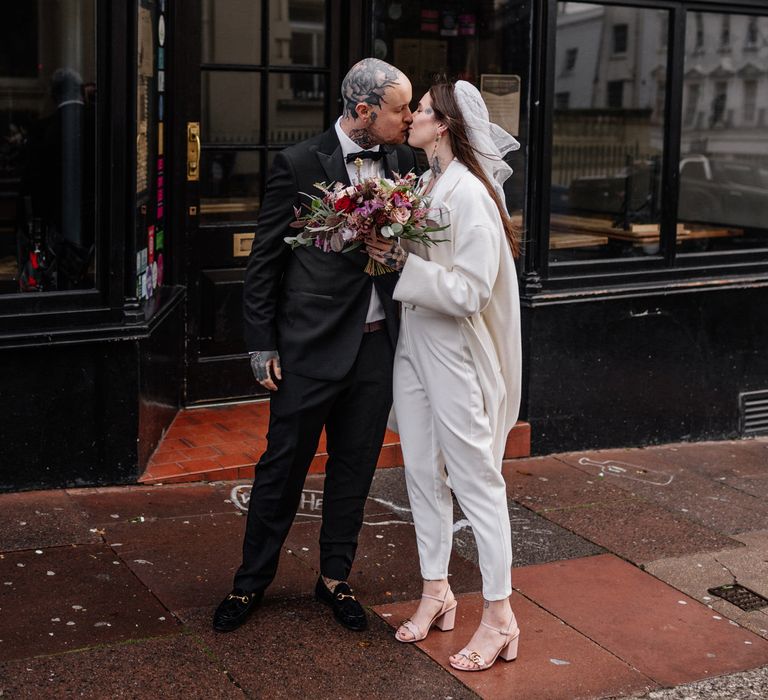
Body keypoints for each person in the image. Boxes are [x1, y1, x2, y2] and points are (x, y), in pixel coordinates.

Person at [212, 58, 415, 633]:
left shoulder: (405, 161)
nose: (406, 119)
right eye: (399, 109)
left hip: (377, 347)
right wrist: (260, 344)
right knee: (282, 468)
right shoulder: (299, 163)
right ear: (363, 110)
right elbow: (265, 262)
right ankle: (249, 584)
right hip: (307, 347)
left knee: (355, 468)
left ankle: (334, 579)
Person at [366, 80, 522, 671]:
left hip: (455, 350)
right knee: (420, 472)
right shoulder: (429, 183)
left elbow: (471, 290)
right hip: (416, 344)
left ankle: (501, 616)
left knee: (478, 482)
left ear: (445, 125)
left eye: (423, 111)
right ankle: (438, 591)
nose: (412, 118)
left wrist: (403, 262)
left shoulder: (471, 196)